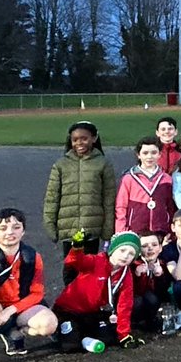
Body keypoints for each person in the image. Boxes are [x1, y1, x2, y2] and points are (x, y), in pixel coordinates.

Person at [0, 209, 58, 362]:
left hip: (19, 309)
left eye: (16, 227)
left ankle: (16, 333)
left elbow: (37, 293)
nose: (10, 232)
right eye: (3, 228)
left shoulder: (32, 257)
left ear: (23, 231)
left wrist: (10, 311)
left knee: (49, 324)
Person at [44, 121, 117, 285]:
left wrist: (107, 229)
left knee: (89, 269)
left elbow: (109, 198)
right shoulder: (61, 165)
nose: (79, 143)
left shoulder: (103, 163)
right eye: (75, 139)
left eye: (84, 139)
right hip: (68, 226)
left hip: (92, 227)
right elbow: (52, 196)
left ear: (94, 138)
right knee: (70, 268)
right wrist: (50, 224)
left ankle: (87, 305)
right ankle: (69, 304)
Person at [53, 231, 144, 351]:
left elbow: (125, 304)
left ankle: (81, 332)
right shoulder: (95, 261)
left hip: (94, 314)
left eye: (131, 253)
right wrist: (76, 248)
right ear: (112, 249)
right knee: (70, 347)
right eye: (122, 250)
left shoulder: (126, 275)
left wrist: (124, 335)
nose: (126, 256)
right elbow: (74, 262)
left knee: (108, 339)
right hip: (69, 311)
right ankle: (62, 330)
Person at [115, 137, 175, 239]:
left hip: (160, 230)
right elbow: (121, 207)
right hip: (135, 230)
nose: (149, 156)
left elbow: (170, 207)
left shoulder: (167, 179)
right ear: (138, 155)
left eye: (154, 152)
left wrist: (171, 230)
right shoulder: (129, 178)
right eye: (145, 153)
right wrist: (120, 232)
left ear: (160, 154)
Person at [131, 234, 170, 335]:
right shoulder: (133, 264)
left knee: (151, 298)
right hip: (136, 301)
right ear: (139, 250)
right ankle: (135, 323)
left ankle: (150, 321)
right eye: (144, 246)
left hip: (154, 301)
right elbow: (131, 290)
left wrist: (160, 276)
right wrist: (137, 275)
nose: (150, 248)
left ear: (160, 248)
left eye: (154, 245)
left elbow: (164, 292)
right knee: (138, 300)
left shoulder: (163, 264)